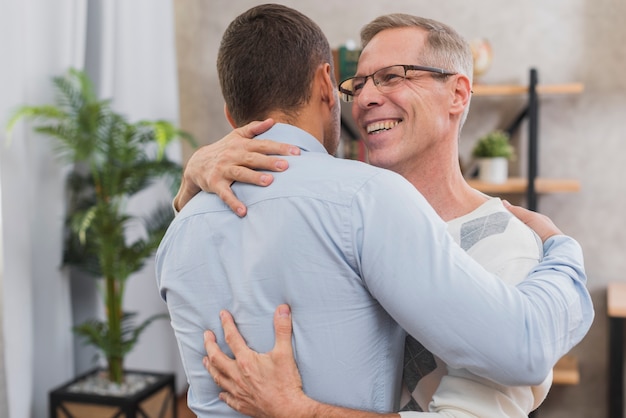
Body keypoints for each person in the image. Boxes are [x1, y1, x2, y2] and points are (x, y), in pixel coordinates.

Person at [157, 5, 593, 418]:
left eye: (391, 76)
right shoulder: (357, 205)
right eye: (358, 84)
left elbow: (522, 353)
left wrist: (559, 248)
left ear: (459, 93)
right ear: (326, 85)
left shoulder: (505, 242)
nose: (364, 98)